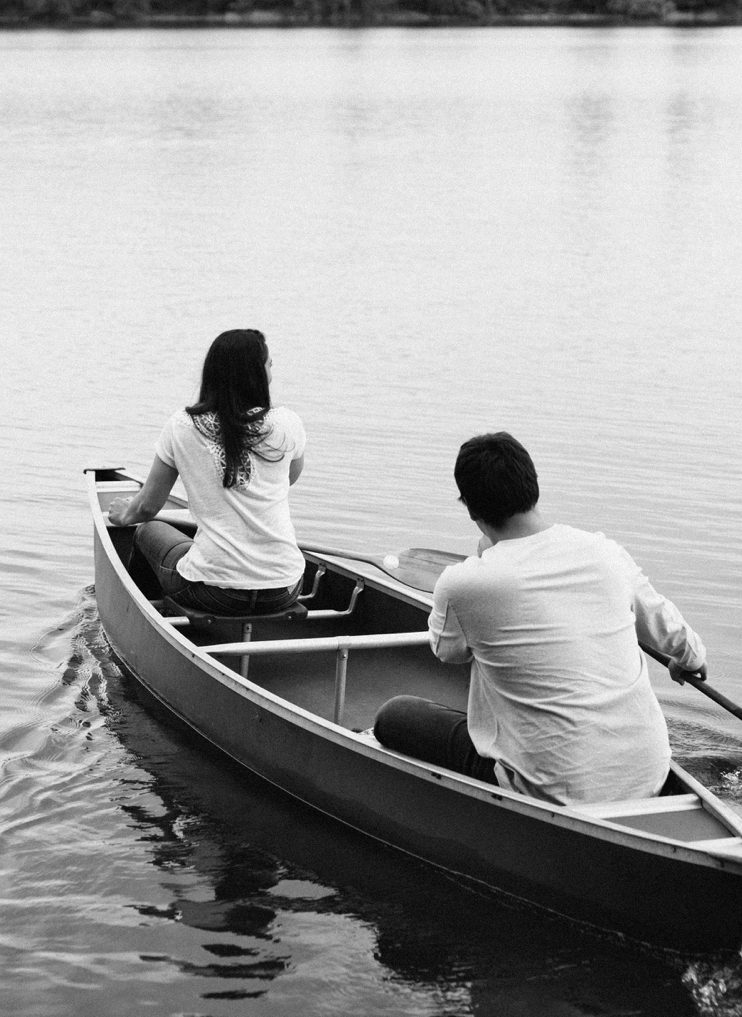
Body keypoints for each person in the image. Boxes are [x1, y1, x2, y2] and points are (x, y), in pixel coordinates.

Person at [374, 432, 707, 805]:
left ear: (470, 508)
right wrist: (687, 660)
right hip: (649, 771)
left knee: (395, 716)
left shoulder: (463, 583)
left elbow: (447, 652)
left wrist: (483, 554)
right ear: (533, 486)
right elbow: (678, 638)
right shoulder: (604, 551)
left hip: (552, 788)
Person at [106, 329, 307, 617]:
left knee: (147, 531)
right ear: (257, 375)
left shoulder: (182, 426)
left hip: (214, 593)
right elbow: (288, 478)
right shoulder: (288, 423)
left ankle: (142, 618)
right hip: (284, 587)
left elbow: (148, 508)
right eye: (269, 365)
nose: (271, 373)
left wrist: (125, 514)